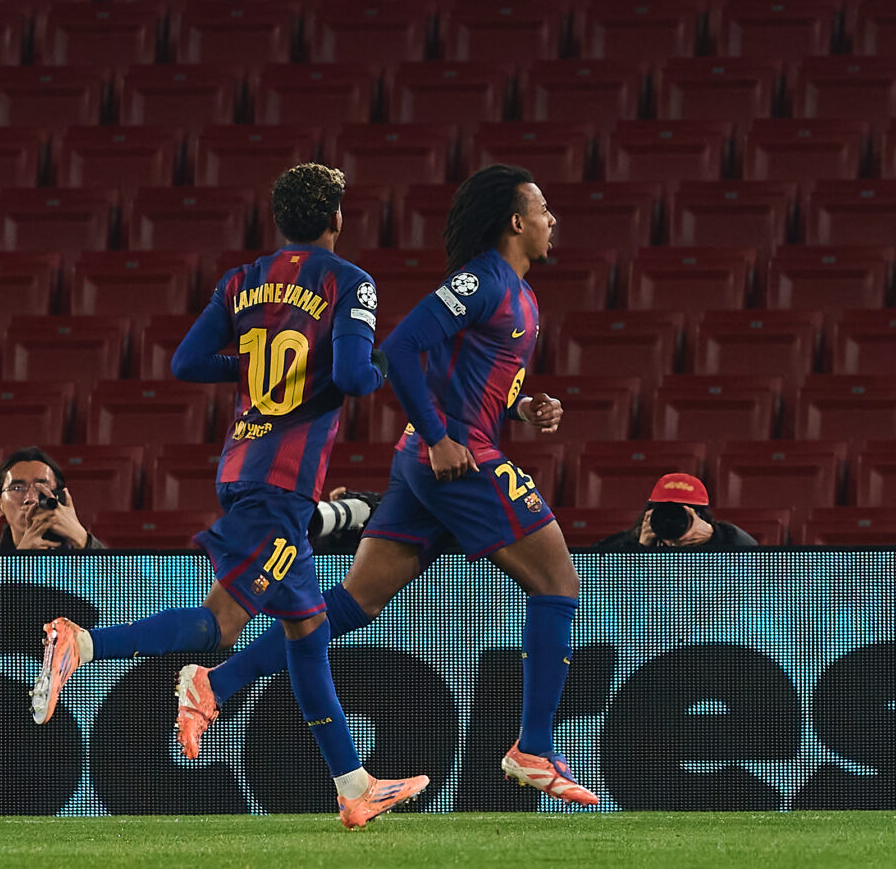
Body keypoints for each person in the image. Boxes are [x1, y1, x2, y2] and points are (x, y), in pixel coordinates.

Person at [178, 163, 600, 807]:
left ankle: (218, 683)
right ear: (516, 222)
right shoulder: (482, 280)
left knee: (351, 603)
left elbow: (470, 374)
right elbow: (402, 348)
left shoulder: (522, 292)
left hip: (430, 458)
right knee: (559, 584)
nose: (552, 221)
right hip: (454, 458)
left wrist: (522, 408)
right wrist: (438, 437)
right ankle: (533, 748)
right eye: (543, 209)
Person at [28, 163, 427, 830]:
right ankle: (82, 643)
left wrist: (249, 367)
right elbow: (358, 378)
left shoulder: (242, 281)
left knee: (307, 631)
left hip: (245, 464)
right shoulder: (350, 281)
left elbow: (185, 362)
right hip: (280, 481)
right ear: (334, 219)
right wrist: (389, 361)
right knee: (221, 625)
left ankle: (355, 786)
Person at [590, 473, 759, 551]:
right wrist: (638, 549)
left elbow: (758, 561)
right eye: (665, 511)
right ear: (650, 514)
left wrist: (715, 536)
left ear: (700, 516)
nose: (672, 519)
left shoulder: (723, 538)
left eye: (680, 513)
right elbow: (594, 572)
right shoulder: (634, 539)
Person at [0, 447, 101, 551]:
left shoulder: (79, 544)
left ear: (60, 498)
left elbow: (114, 570)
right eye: (17, 488)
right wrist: (20, 559)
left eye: (43, 488)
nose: (31, 499)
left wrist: (83, 540)